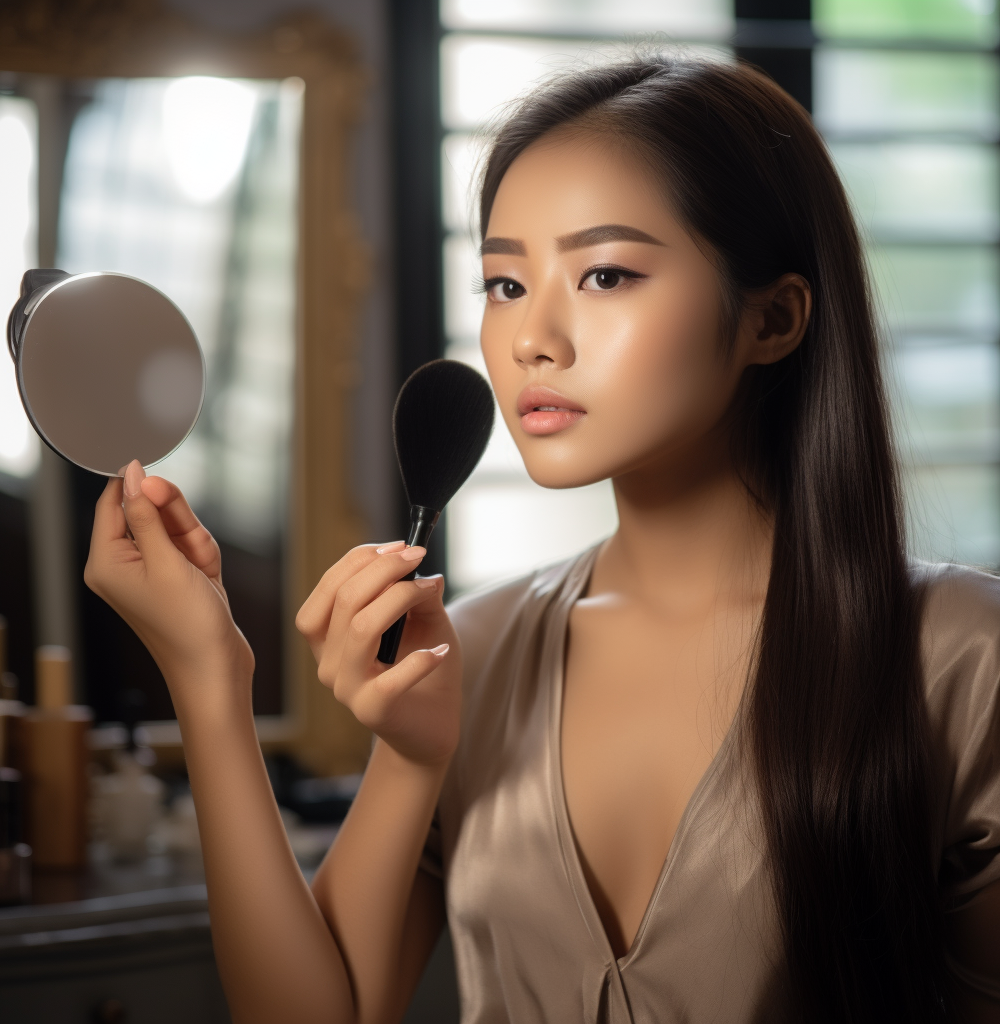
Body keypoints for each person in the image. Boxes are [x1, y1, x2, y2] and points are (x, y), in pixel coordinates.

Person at [84, 53, 1000, 1023]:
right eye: (504, 282)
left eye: (605, 273)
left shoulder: (958, 658)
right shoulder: (467, 655)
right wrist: (212, 679)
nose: (531, 339)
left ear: (771, 318)